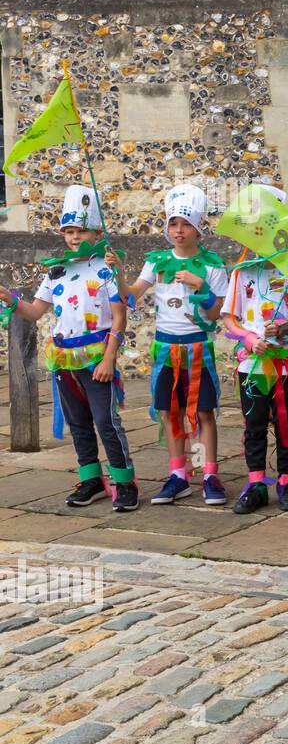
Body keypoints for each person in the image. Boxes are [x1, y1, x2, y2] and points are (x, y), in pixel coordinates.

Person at [0, 186, 137, 511]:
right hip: (64, 358)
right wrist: (10, 299)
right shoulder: (56, 271)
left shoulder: (107, 269)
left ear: (96, 232)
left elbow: (120, 317)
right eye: (69, 232)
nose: (74, 238)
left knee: (105, 420)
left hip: (96, 358)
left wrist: (108, 358)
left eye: (81, 231)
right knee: (78, 421)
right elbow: (34, 312)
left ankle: (125, 481)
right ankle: (92, 479)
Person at [113, 184, 228, 506]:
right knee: (170, 412)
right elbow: (130, 296)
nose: (179, 230)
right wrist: (118, 272)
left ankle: (209, 474)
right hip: (166, 349)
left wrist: (201, 285)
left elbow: (217, 312)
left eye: (186, 224)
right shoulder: (156, 262)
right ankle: (178, 475)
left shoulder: (213, 264)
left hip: (197, 350)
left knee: (204, 412)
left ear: (198, 227)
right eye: (174, 223)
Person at [221, 186, 288, 514]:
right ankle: (256, 482)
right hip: (252, 367)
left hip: (285, 365)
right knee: (254, 424)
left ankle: (287, 480)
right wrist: (248, 338)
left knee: (286, 423)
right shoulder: (241, 272)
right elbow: (230, 320)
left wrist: (286, 326)